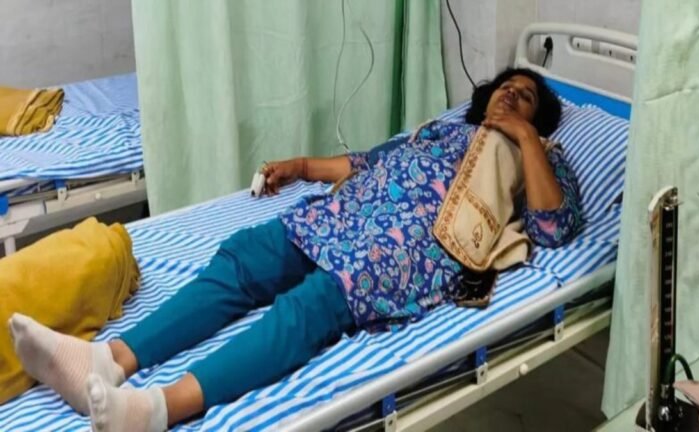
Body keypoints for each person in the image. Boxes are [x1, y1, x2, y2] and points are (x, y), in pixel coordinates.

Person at [7, 68, 582, 431]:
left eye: (526, 96)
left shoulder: (537, 156)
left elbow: (553, 226)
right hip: (345, 214)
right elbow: (367, 162)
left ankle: (158, 408)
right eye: (507, 87)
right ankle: (111, 360)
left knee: (306, 308)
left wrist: (524, 135)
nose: (511, 95)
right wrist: (302, 165)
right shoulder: (443, 130)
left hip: (406, 248)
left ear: (540, 117)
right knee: (245, 257)